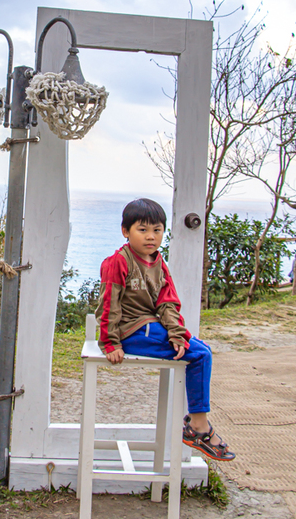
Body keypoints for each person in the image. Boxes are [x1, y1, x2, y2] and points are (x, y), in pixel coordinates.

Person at [96, 197, 235, 462]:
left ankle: (197, 424)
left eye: (157, 230)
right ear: (126, 231)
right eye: (143, 229)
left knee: (202, 349)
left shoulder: (159, 264)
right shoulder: (118, 262)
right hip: (131, 332)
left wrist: (176, 332)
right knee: (201, 355)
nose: (151, 237)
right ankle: (198, 427)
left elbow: (167, 303)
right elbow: (108, 304)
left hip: (151, 327)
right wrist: (111, 343)